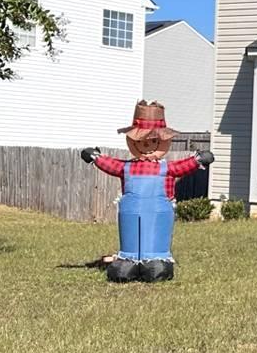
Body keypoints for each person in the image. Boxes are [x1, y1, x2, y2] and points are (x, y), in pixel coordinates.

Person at [81, 101, 212, 282]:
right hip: (130, 218)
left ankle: (157, 261)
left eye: (153, 141)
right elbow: (111, 164)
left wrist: (198, 160)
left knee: (156, 249)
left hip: (159, 217)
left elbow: (184, 166)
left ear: (163, 141)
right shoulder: (126, 168)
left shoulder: (167, 169)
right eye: (141, 141)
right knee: (129, 245)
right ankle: (129, 260)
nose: (147, 145)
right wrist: (96, 157)